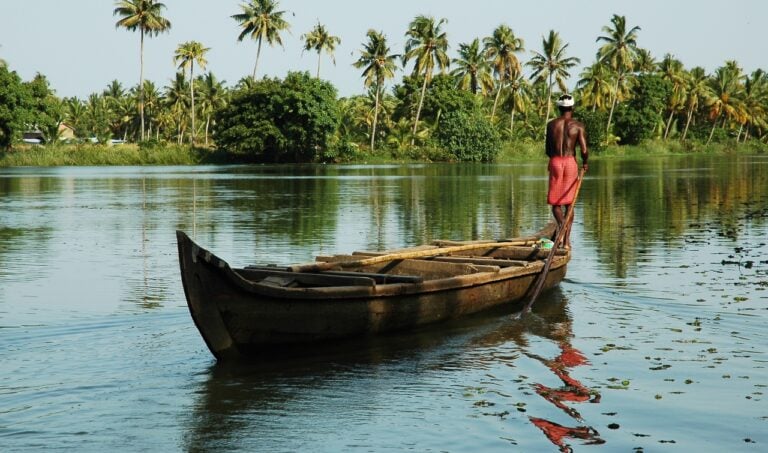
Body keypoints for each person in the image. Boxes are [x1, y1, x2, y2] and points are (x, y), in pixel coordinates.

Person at [545, 94, 588, 249]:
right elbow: (584, 149)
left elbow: (548, 149)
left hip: (556, 161)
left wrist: (554, 160)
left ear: (559, 108)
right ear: (572, 108)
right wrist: (585, 163)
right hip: (570, 163)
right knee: (569, 204)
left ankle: (561, 230)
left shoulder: (551, 125)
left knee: (555, 204)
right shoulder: (578, 125)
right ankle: (566, 241)